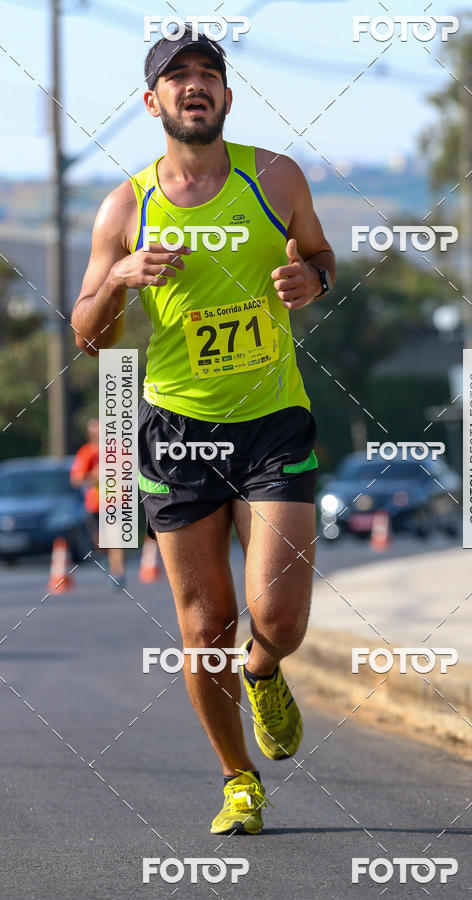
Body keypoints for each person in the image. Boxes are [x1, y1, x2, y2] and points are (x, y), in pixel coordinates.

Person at [71, 29, 335, 835]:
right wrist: (118, 277)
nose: (194, 86)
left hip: (272, 421)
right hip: (178, 430)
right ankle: (239, 780)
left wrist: (309, 277)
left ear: (226, 97)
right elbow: (89, 333)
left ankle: (265, 672)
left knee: (278, 618)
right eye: (176, 78)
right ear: (151, 103)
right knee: (203, 624)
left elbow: (321, 256)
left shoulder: (274, 177)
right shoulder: (127, 206)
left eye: (208, 76)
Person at [70, 418, 126, 589]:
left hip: (115, 502)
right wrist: (94, 475)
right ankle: (106, 556)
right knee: (101, 541)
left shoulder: (118, 449)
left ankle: (118, 574)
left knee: (116, 538)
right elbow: (76, 479)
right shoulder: (86, 452)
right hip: (95, 504)